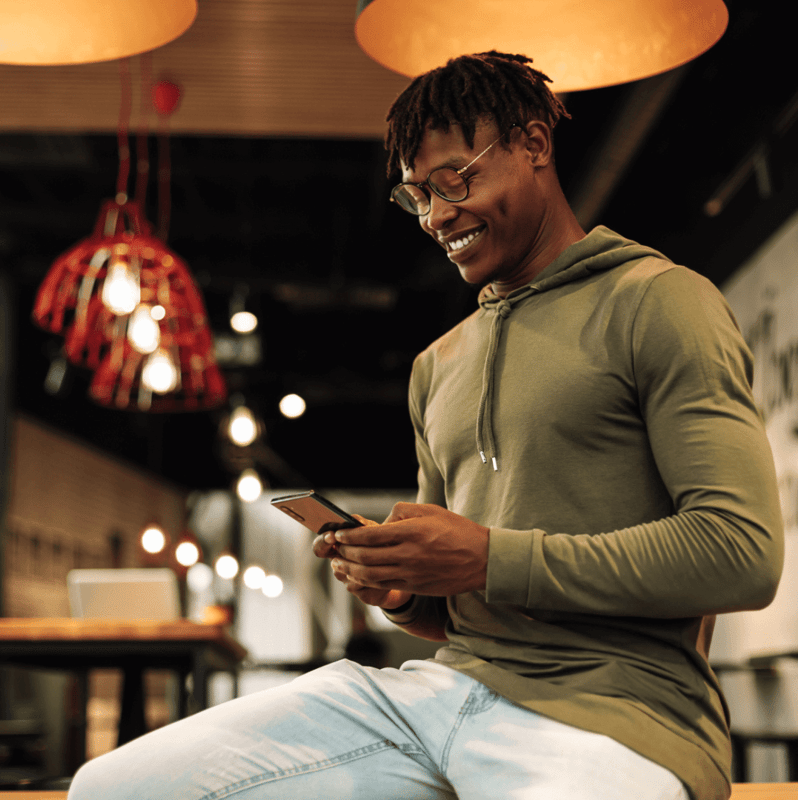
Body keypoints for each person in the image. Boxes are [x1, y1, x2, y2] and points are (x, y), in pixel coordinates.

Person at [67, 51, 783, 800]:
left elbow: (742, 552)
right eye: (417, 196)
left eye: (456, 180)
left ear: (534, 145)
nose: (438, 216)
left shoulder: (659, 302)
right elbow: (457, 613)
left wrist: (487, 558)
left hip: (621, 712)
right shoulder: (438, 365)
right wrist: (406, 589)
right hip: (441, 696)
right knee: (115, 788)